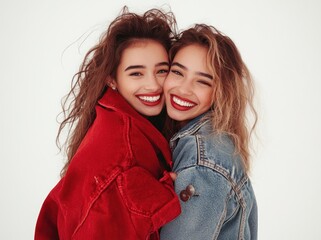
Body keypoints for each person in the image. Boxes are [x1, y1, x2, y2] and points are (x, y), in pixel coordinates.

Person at [35, 7, 181, 240]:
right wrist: (164, 193)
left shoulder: (111, 117)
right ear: (112, 79)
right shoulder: (123, 158)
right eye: (136, 74)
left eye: (161, 70)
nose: (153, 85)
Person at [159, 24, 258, 239]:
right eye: (177, 72)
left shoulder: (203, 162)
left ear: (221, 93)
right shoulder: (207, 142)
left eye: (202, 81)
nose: (184, 89)